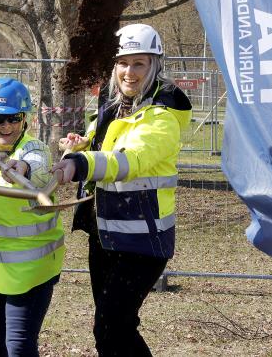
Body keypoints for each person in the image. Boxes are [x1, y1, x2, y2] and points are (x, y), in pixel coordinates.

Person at [53, 23, 192, 356]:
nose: (129, 72)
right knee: (112, 328)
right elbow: (104, 142)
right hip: (103, 234)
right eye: (123, 63)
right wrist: (81, 144)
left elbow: (131, 159)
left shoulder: (162, 115)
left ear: (154, 65)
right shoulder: (114, 106)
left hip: (142, 243)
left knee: (111, 326)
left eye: (139, 63)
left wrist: (81, 164)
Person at [0, 77, 64, 357]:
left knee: (18, 345)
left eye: (13, 118)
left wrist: (23, 168)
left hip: (33, 268)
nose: (5, 127)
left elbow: (40, 169)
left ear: (24, 119)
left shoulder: (35, 148)